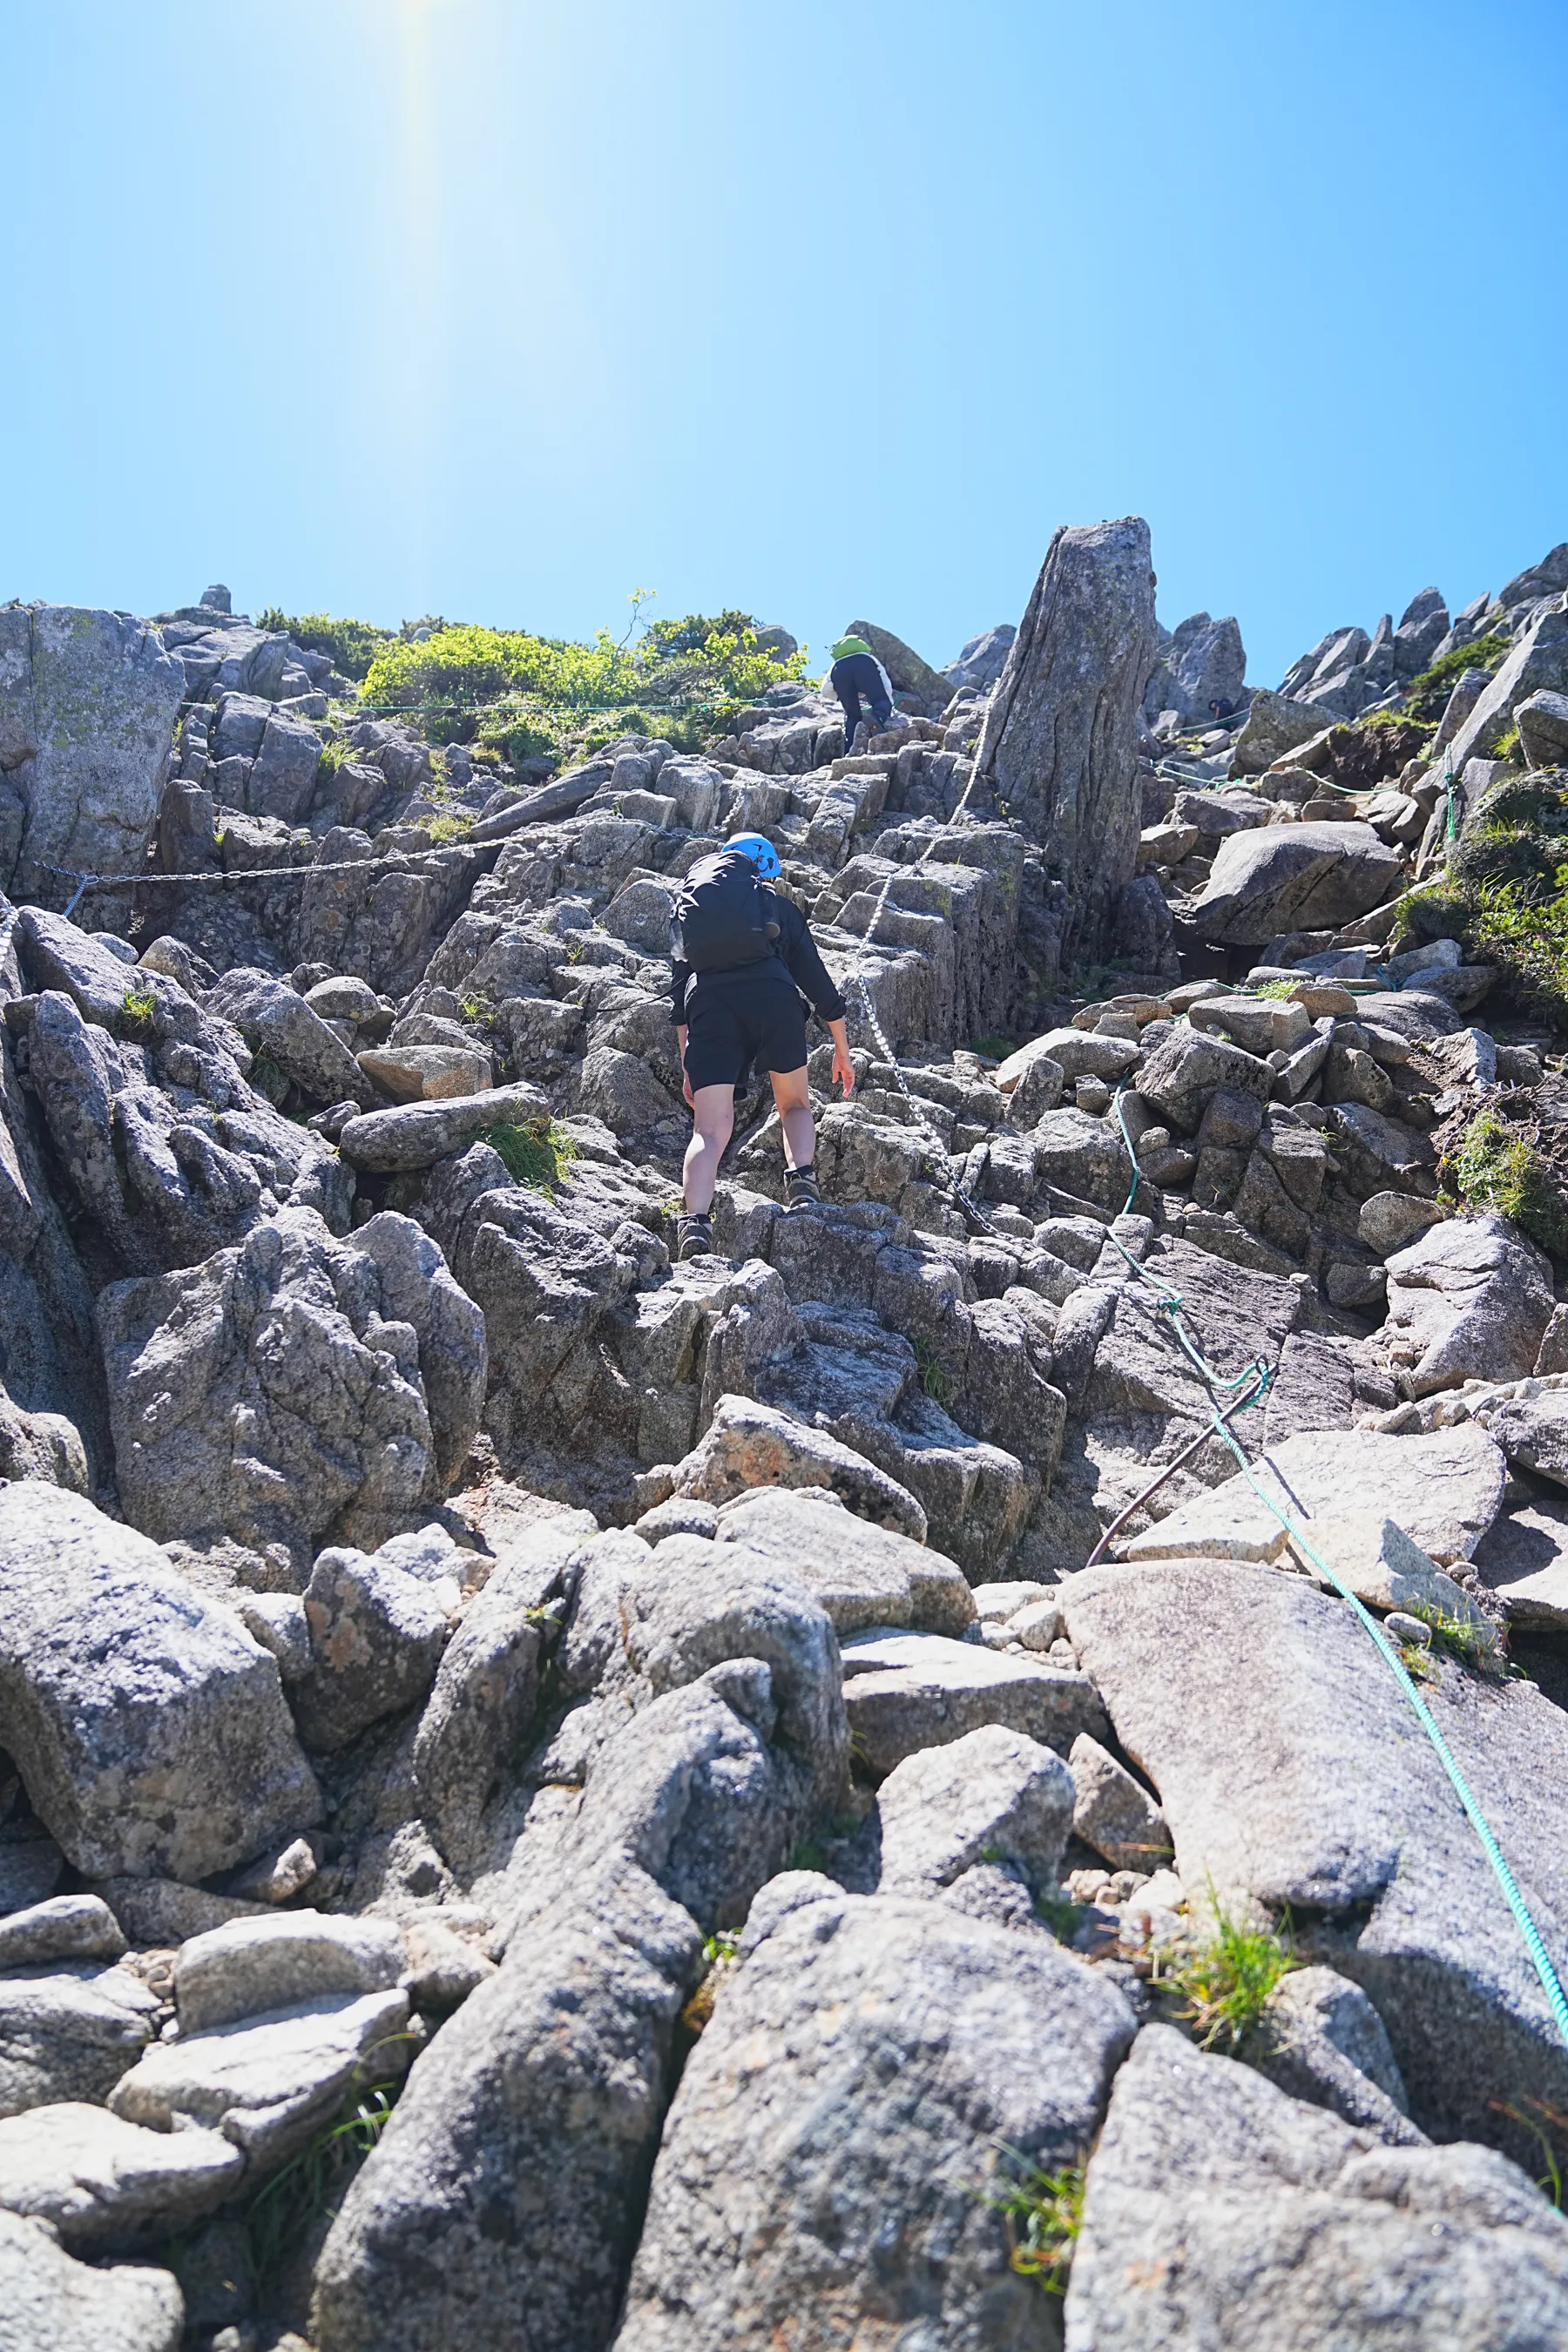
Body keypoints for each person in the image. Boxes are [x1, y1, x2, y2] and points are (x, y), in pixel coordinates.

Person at [671, 831, 855, 1260]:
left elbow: (678, 1003)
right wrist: (841, 1049)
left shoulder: (694, 914)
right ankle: (803, 1184)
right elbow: (820, 987)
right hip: (774, 1000)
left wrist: (688, 1066)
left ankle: (695, 1226)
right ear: (765, 873)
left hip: (710, 1005)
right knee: (793, 1104)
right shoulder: (777, 909)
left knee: (709, 1130)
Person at [828, 635, 896, 751]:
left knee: (852, 715)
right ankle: (877, 718)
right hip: (864, 666)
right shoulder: (867, 657)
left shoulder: (835, 665)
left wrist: (847, 696)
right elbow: (884, 680)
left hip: (840, 673)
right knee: (880, 700)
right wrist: (887, 701)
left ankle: (850, 746)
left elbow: (826, 690)